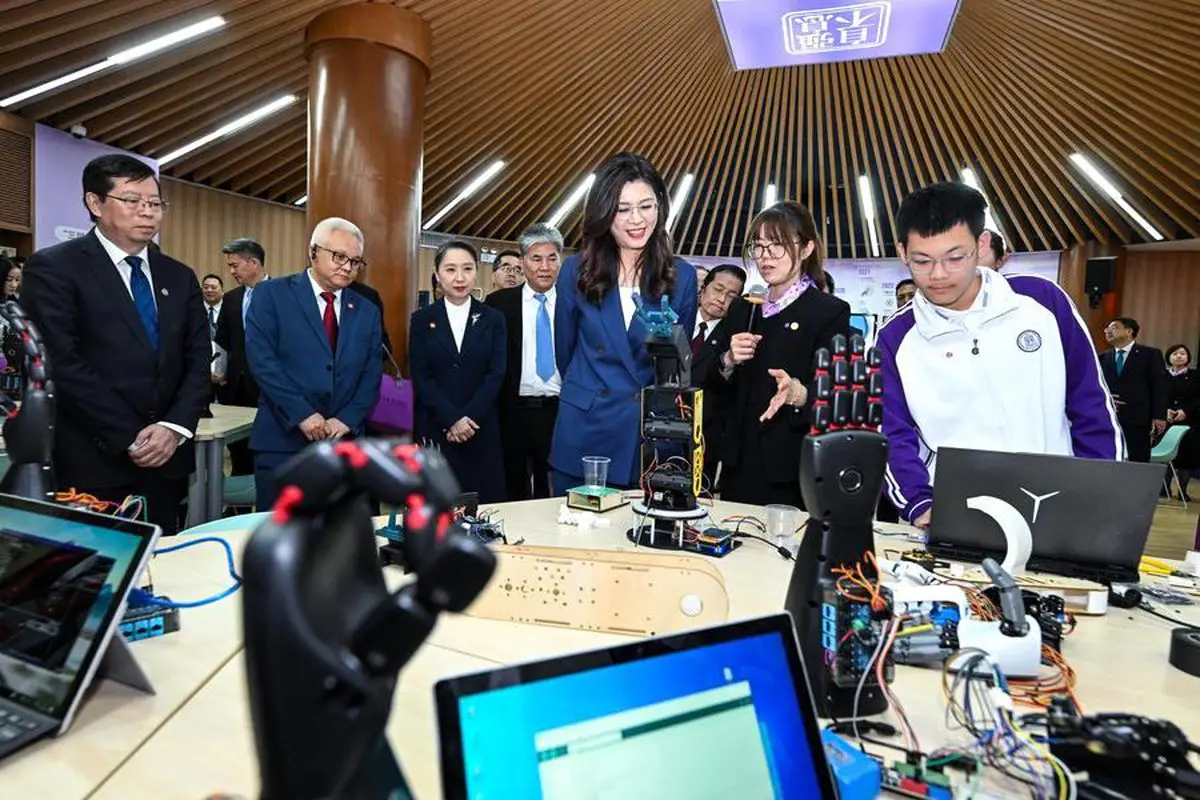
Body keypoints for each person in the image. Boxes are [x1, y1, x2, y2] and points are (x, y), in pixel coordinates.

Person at [878, 182, 1123, 528]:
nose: (938, 274)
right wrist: (919, 502)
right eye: (922, 261)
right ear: (903, 253)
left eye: (955, 258)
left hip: (1057, 505)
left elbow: (1091, 403)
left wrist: (1100, 492)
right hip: (956, 513)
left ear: (981, 245)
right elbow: (890, 432)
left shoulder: (1042, 302)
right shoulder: (895, 338)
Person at [22, 154, 211, 534]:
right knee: (91, 564)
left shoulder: (179, 276)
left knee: (163, 559)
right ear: (95, 203)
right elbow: (61, 361)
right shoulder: (55, 268)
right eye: (132, 200)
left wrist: (173, 427)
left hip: (167, 458)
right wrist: (131, 437)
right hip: (92, 459)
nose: (148, 212)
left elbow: (197, 357)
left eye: (155, 203)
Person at [551, 152, 698, 493]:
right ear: (604, 212)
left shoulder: (682, 276)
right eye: (622, 209)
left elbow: (677, 361)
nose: (637, 219)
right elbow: (565, 351)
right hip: (586, 429)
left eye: (646, 206)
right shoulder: (575, 271)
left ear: (660, 207)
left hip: (648, 437)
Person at [715, 202, 850, 507]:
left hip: (791, 464)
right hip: (738, 460)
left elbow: (835, 397)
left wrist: (798, 394)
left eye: (777, 245)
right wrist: (728, 361)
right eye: (759, 246)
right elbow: (713, 383)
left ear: (806, 249)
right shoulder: (743, 307)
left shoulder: (828, 312)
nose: (765, 256)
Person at [245, 218, 382, 508]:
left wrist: (346, 419)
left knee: (344, 532)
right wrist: (303, 414)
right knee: (284, 532)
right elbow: (262, 362)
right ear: (312, 252)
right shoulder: (271, 295)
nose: (347, 266)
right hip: (283, 442)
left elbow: (371, 374)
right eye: (339, 256)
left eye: (355, 261)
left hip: (346, 444)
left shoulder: (367, 310)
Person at [409, 241, 507, 502]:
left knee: (484, 507)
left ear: (477, 271)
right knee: (437, 507)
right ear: (437, 274)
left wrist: (469, 418)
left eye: (467, 268)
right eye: (451, 269)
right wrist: (452, 418)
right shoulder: (421, 320)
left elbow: (496, 372)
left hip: (480, 427)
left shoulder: (493, 319)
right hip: (437, 428)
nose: (460, 278)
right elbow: (421, 376)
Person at [487, 223, 564, 500]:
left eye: (552, 258)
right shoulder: (498, 304)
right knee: (511, 490)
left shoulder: (574, 303)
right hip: (512, 411)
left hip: (560, 411)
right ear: (522, 262)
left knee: (554, 492)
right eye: (536, 258)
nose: (544, 267)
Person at [213, 238, 268, 475]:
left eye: (234, 265)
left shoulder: (282, 295)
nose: (231, 272)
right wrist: (218, 371)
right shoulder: (231, 298)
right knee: (239, 454)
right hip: (236, 387)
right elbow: (222, 340)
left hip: (268, 388)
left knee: (265, 452)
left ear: (253, 263)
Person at [690, 264, 746, 491]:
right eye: (718, 289)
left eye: (732, 296)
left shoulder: (736, 339)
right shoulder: (676, 320)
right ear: (703, 288)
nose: (722, 299)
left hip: (705, 437)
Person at [1100, 317, 1167, 463]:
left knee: (1137, 459)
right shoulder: (1102, 357)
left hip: (1138, 418)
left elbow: (1159, 386)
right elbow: (1098, 386)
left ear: (1129, 331)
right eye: (1106, 329)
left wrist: (1159, 415)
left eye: (1114, 327)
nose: (1107, 331)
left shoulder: (1150, 354)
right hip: (1110, 417)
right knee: (1110, 459)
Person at [1164, 344, 1198, 501]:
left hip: (1189, 422)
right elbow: (1156, 395)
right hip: (1166, 421)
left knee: (1186, 458)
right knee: (1165, 458)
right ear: (1169, 357)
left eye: (1182, 353)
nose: (1178, 356)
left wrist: (1186, 411)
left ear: (1188, 357)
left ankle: (1182, 491)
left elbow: (1197, 399)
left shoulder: (1195, 375)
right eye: (1175, 353)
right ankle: (1164, 489)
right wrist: (1164, 410)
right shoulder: (1162, 375)